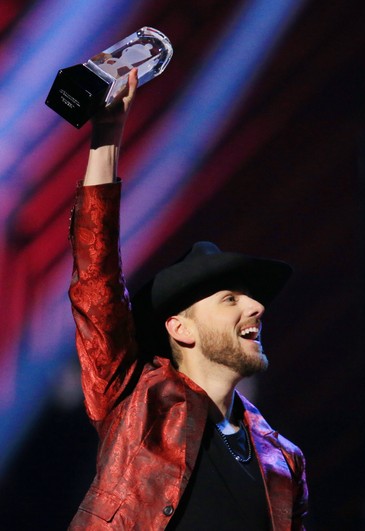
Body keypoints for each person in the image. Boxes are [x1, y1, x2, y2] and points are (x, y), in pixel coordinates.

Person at [68, 69, 308, 530]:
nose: (256, 308)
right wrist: (107, 137)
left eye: (252, 298)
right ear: (181, 327)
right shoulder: (135, 400)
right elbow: (95, 277)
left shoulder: (284, 462)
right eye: (230, 299)